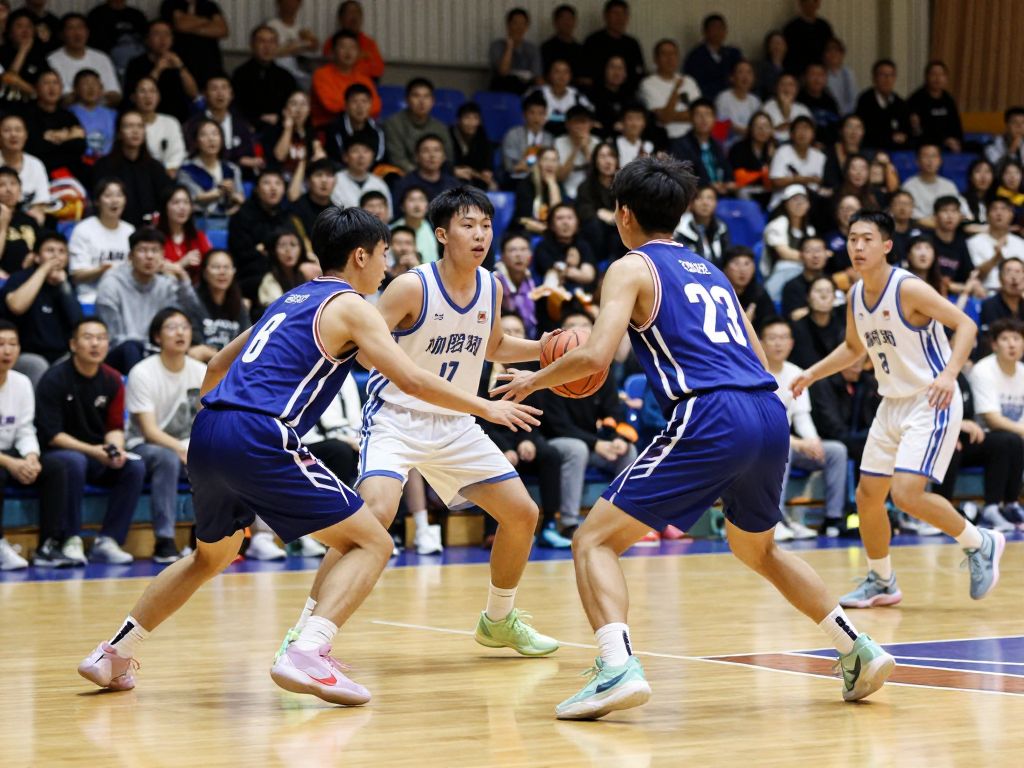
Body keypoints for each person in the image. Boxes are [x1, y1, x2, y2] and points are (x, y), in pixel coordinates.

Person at [77, 205, 541, 702]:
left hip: (210, 429)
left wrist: (217, 431)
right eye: (383, 256)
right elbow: (410, 378)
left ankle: (113, 653)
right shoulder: (353, 307)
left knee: (209, 558)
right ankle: (307, 652)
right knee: (373, 542)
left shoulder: (290, 299)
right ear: (360, 256)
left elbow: (214, 366)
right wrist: (484, 408)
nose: (386, 268)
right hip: (260, 435)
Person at [493, 156, 893, 719]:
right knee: (757, 547)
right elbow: (757, 356)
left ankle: (616, 667)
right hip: (766, 408)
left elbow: (594, 355)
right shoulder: (712, 270)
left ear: (622, 213)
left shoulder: (630, 267)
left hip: (711, 413)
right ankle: (857, 647)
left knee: (593, 541)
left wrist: (535, 379)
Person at [276, 187, 561, 674]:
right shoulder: (411, 286)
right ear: (443, 234)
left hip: (455, 424)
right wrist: (419, 378)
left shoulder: (491, 286)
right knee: (370, 520)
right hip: (397, 417)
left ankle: (498, 619)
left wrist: (550, 348)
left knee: (522, 514)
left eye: (487, 225)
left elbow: (493, 345)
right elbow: (364, 346)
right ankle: (304, 633)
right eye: (469, 225)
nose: (480, 234)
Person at [791, 210, 1001, 609]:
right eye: (852, 238)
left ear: (886, 245)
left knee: (905, 493)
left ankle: (981, 541)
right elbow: (854, 349)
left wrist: (949, 374)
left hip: (931, 398)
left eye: (867, 239)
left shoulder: (908, 288)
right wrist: (812, 374)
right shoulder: (854, 294)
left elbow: (967, 326)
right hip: (892, 402)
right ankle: (882, 580)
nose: (857, 246)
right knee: (868, 495)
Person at [36, 317, 146, 566]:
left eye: (101, 338)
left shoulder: (113, 379)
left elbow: (115, 427)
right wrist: (93, 451)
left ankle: (109, 540)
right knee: (74, 462)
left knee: (133, 466)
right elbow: (52, 434)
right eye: (88, 338)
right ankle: (70, 539)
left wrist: (115, 449)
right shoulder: (54, 378)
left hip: (96, 453)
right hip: (57, 453)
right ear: (73, 344)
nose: (95, 344)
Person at [480, 312, 569, 547]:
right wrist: (505, 448)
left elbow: (536, 413)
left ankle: (550, 524)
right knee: (496, 460)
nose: (512, 336)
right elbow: (478, 419)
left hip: (522, 435)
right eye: (506, 332)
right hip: (490, 438)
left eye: (517, 331)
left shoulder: (532, 371)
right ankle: (492, 530)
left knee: (550, 455)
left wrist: (527, 440)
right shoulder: (481, 370)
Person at [125, 308, 206, 563]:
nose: (180, 332)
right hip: (143, 447)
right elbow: (149, 431)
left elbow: (208, 422)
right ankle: (164, 540)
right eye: (171, 327)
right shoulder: (143, 372)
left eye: (184, 326)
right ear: (157, 337)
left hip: (188, 447)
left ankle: (210, 537)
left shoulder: (202, 370)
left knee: (223, 458)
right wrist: (182, 449)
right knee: (166, 459)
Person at [760, 317, 847, 540]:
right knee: (784, 449)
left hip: (788, 444)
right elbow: (760, 427)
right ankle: (774, 521)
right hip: (759, 448)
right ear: (761, 343)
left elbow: (802, 417)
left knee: (836, 451)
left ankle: (832, 520)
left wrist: (813, 441)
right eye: (772, 338)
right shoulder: (755, 374)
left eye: (783, 338)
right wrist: (796, 442)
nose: (778, 344)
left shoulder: (796, 372)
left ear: (791, 343)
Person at [0, 319, 72, 570]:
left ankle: (48, 546)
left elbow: (26, 428)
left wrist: (31, 457)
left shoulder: (21, 382)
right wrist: (10, 463)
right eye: (0, 344)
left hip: (14, 452)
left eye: (12, 344)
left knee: (57, 466)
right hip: (4, 459)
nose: (7, 351)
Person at [95, 227, 204, 373]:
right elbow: (114, 338)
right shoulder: (111, 284)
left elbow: (194, 314)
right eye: (143, 250)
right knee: (131, 348)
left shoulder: (166, 284)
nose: (149, 256)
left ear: (163, 255)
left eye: (155, 250)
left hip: (156, 351)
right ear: (130, 256)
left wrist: (182, 277)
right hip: (120, 354)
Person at [937, 370, 1024, 530]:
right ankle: (940, 513)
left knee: (1007, 441)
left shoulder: (959, 376)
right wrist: (950, 427)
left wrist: (964, 424)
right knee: (948, 447)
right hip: (936, 436)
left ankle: (997, 507)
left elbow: (968, 413)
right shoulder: (927, 373)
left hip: (964, 437)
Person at [965, 317, 1024, 531]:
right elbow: (992, 418)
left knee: (1013, 440)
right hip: (978, 439)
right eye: (1005, 339)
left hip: (1013, 439)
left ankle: (1011, 505)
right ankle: (991, 508)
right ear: (994, 344)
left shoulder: (1023, 371)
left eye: (1017, 338)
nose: (1012, 344)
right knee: (1008, 440)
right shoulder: (984, 370)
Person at [1, 230, 82, 383]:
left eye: (61, 251)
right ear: (37, 257)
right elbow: (16, 306)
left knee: (77, 362)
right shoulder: (20, 277)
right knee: (38, 365)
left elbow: (78, 323)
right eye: (50, 251)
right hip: (26, 354)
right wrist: (43, 270)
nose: (56, 256)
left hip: (61, 355)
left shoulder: (67, 284)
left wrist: (64, 286)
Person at [227, 170, 305, 300]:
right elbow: (241, 254)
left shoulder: (288, 217)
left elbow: (297, 247)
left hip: (287, 271)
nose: (273, 188)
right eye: (267, 183)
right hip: (253, 275)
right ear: (257, 189)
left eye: (278, 183)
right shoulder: (242, 216)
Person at [92, 110, 173, 228]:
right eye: (129, 126)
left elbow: (166, 199)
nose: (135, 131)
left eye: (140, 126)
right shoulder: (104, 166)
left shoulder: (155, 167)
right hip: (114, 228)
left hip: (150, 232)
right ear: (119, 133)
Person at [68, 178, 135, 305]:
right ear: (97, 201)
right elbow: (76, 275)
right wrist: (101, 271)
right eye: (108, 195)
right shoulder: (83, 229)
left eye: (119, 195)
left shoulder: (130, 231)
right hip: (91, 298)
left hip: (125, 299)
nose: (114, 200)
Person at [184, 75, 262, 180]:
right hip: (202, 176)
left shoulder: (241, 123)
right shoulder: (195, 123)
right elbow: (193, 152)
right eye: (214, 89)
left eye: (224, 88)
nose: (220, 93)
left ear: (231, 94)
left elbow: (248, 155)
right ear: (205, 94)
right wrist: (238, 160)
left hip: (239, 178)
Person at [124, 19, 198, 124]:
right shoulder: (136, 64)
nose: (163, 39)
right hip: (146, 119)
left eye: (167, 34)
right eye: (157, 34)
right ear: (147, 40)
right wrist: (158, 69)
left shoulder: (181, 60)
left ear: (172, 39)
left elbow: (194, 94)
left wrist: (181, 67)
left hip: (178, 119)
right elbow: (132, 98)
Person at [231, 24, 297, 133]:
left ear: (277, 45)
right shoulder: (240, 75)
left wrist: (279, 117)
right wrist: (255, 120)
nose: (267, 46)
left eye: (272, 42)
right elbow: (236, 107)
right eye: (261, 41)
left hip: (280, 128)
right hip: (248, 129)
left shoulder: (286, 77)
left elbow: (292, 105)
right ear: (252, 45)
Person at [47, 12, 120, 105]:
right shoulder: (52, 60)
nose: (77, 33)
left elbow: (115, 95)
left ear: (87, 32)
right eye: (71, 28)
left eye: (80, 27)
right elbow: (62, 98)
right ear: (61, 34)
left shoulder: (102, 58)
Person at [178, 119, 245, 221]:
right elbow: (194, 197)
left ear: (222, 139)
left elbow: (240, 199)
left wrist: (232, 195)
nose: (211, 139)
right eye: (204, 135)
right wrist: (220, 191)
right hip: (196, 220)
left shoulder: (232, 169)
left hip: (228, 220)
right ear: (196, 141)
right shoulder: (186, 170)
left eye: (215, 134)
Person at [311, 30, 380, 128]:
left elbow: (376, 106)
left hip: (358, 127)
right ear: (333, 51)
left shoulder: (363, 78)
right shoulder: (321, 74)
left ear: (359, 53)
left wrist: (352, 108)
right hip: (327, 128)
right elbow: (330, 106)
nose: (348, 52)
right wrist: (360, 108)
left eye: (353, 47)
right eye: (343, 47)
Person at [383, 78, 452, 174]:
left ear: (433, 101)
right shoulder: (393, 124)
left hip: (435, 176)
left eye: (426, 96)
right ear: (407, 100)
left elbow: (448, 158)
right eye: (416, 96)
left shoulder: (440, 127)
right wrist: (421, 177)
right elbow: (397, 159)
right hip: (405, 175)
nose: (422, 101)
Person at [639, 39, 700, 140]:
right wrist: (676, 90)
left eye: (673, 54)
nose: (670, 58)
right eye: (665, 54)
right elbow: (664, 118)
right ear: (655, 59)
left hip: (692, 138)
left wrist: (672, 115)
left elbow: (698, 114)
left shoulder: (689, 81)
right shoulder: (647, 84)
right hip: (667, 139)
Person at [669, 99, 734, 194]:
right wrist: (708, 185)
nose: (704, 119)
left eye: (708, 114)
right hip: (694, 196)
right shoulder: (680, 144)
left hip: (720, 195)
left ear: (714, 119)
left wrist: (727, 183)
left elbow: (727, 170)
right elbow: (681, 176)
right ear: (691, 118)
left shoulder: (717, 145)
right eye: (698, 115)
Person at [763, 184, 816, 300]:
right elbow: (784, 253)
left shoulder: (810, 230)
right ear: (785, 204)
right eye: (795, 200)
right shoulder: (777, 225)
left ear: (808, 205)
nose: (799, 204)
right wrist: (815, 257)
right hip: (776, 273)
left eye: (803, 200)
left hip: (803, 274)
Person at [159, 0, 228, 88]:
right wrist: (208, 21)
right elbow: (181, 24)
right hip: (183, 63)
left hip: (210, 63)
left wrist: (192, 27)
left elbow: (223, 30)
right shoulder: (170, 4)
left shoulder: (210, 6)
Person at [194, 249, 250, 355]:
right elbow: (196, 349)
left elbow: (246, 341)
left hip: (232, 366)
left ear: (233, 272)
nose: (222, 272)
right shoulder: (193, 301)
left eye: (226, 267)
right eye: (216, 267)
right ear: (205, 273)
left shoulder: (239, 303)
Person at [575, 141, 623, 261]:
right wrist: (599, 212)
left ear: (617, 160)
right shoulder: (585, 186)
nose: (608, 161)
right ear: (595, 161)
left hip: (618, 233)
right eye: (602, 156)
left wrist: (614, 216)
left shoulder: (624, 185)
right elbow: (583, 211)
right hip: (596, 237)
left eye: (611, 156)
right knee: (593, 225)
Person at [580, 0, 645, 90]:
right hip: (598, 93)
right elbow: (585, 77)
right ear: (606, 16)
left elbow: (639, 73)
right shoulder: (593, 41)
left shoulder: (632, 44)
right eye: (615, 13)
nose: (619, 18)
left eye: (623, 14)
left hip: (628, 94)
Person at [131, 76, 186, 176]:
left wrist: (169, 170)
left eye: (152, 91)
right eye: (142, 91)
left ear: (159, 96)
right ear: (134, 97)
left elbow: (178, 153)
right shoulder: (129, 123)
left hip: (167, 175)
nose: (148, 96)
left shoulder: (170, 122)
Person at [0, 114, 50, 223]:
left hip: (26, 222)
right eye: (7, 130)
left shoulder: (36, 165)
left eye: (18, 130)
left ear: (26, 135)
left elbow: (41, 203)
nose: (13, 134)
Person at [768, 116, 824, 210]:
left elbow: (821, 182)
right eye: (798, 129)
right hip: (782, 204)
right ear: (791, 134)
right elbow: (775, 181)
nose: (802, 133)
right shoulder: (782, 152)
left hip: (811, 205)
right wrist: (804, 179)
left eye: (806, 128)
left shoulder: (820, 156)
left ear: (813, 134)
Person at [968, 198, 1024, 292]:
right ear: (987, 215)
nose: (999, 213)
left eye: (1004, 209)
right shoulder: (973, 242)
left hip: (1017, 294)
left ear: (1011, 215)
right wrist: (996, 257)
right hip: (985, 293)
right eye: (994, 209)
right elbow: (975, 275)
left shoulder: (1021, 243)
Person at [789, 275, 844, 370]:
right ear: (808, 297)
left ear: (834, 298)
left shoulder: (843, 323)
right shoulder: (797, 328)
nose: (824, 296)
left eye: (828, 291)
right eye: (818, 291)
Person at [323, 82, 385, 166]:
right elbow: (336, 157)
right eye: (354, 101)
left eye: (364, 101)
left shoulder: (377, 130)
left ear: (370, 105)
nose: (360, 106)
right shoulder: (334, 129)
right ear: (346, 105)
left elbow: (379, 157)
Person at [683, 13, 742, 101]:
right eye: (714, 28)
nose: (718, 32)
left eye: (721, 28)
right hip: (707, 100)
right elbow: (693, 84)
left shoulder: (733, 53)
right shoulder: (695, 56)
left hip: (733, 99)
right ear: (705, 32)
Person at [257, 228, 319, 311]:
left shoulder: (309, 268)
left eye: (293, 245)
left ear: (301, 248)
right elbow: (279, 309)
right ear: (274, 251)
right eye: (282, 245)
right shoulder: (270, 280)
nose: (288, 250)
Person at [156, 184, 211, 277]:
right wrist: (181, 264)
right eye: (176, 202)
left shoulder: (199, 237)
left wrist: (173, 267)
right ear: (165, 207)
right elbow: (154, 272)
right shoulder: (154, 238)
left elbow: (210, 264)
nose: (182, 207)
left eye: (186, 202)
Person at [907, 61, 963, 153]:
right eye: (933, 74)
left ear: (946, 78)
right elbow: (918, 132)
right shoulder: (916, 100)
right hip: (926, 144)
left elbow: (956, 126)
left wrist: (956, 141)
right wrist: (944, 141)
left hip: (950, 144)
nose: (937, 78)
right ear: (926, 77)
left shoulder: (948, 100)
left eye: (941, 75)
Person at [855, 60, 910, 151]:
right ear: (874, 78)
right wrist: (890, 138)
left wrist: (903, 136)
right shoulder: (865, 100)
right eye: (883, 75)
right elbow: (865, 131)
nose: (887, 79)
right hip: (871, 149)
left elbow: (907, 129)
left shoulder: (900, 103)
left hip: (896, 150)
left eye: (891, 75)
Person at [86, 0, 148, 80]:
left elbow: (146, 40)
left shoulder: (137, 15)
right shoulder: (96, 15)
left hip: (136, 64)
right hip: (108, 64)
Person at [500, 92, 553, 184]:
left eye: (541, 113)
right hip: (517, 180)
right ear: (524, 115)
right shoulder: (513, 135)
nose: (536, 118)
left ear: (545, 116)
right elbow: (509, 166)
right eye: (532, 113)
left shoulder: (549, 138)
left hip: (543, 181)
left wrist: (526, 166)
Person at [493, 231, 539, 339]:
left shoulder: (533, 281)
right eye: (513, 250)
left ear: (530, 255)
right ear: (502, 256)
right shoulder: (494, 281)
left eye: (523, 250)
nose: (519, 255)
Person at [529, 59, 592, 136]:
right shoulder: (537, 93)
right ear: (549, 75)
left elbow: (589, 114)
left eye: (565, 72)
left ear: (570, 75)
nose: (561, 76)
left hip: (570, 135)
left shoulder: (577, 96)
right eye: (557, 71)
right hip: (542, 133)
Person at [673, 183, 730, 267]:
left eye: (710, 198)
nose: (705, 203)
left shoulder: (721, 228)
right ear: (691, 203)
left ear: (716, 203)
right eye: (699, 198)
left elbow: (725, 259)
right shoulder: (680, 228)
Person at [0, 9, 50, 106]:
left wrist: (22, 85)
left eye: (29, 26)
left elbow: (44, 91)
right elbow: (7, 81)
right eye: (19, 26)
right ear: (9, 32)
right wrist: (22, 51)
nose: (25, 30)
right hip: (5, 106)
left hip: (34, 107)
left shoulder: (40, 54)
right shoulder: (2, 53)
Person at [901, 144, 962, 223]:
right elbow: (909, 214)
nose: (930, 160)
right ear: (917, 161)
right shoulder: (908, 186)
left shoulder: (949, 185)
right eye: (925, 156)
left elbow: (959, 210)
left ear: (940, 160)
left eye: (934, 156)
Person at [392, 134, 459, 205]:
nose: (432, 155)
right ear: (417, 157)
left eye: (437, 150)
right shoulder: (404, 185)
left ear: (444, 157)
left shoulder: (454, 185)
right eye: (426, 151)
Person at [324, 0, 383, 80]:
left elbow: (378, 70)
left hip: (363, 84)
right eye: (350, 13)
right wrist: (359, 58)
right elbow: (331, 67)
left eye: (358, 13)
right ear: (340, 18)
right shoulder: (332, 43)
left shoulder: (369, 43)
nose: (354, 17)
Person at [978, 258, 1024, 358]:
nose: (1014, 277)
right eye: (1008, 272)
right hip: (996, 358)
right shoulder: (989, 305)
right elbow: (989, 340)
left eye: (1018, 272)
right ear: (1000, 279)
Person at [267, 0, 318, 90]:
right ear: (279, 3)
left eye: (295, 1)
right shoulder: (271, 26)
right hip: (280, 73)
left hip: (302, 73)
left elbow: (314, 47)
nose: (291, 4)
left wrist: (311, 42)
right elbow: (271, 52)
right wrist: (300, 46)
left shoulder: (301, 28)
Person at [489, 7, 541, 94]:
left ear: (527, 27)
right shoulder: (496, 46)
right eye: (515, 23)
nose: (519, 28)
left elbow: (536, 75)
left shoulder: (532, 49)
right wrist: (509, 47)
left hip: (526, 88)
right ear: (508, 25)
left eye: (522, 24)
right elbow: (503, 72)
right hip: (502, 88)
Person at [0, 166, 40, 278]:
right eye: (2, 185)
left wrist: (35, 254)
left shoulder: (29, 220)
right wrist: (3, 226)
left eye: (13, 184)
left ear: (20, 189)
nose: (9, 189)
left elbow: (43, 245)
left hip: (30, 277)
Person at [929, 195, 975, 294]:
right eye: (944, 211)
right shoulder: (927, 240)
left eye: (954, 211)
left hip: (955, 294)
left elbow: (969, 272)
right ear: (935, 216)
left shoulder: (961, 241)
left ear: (960, 216)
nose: (950, 216)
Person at [70, 69, 118, 161]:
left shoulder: (113, 115)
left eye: (94, 84)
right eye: (85, 84)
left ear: (101, 88)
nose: (91, 88)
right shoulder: (69, 114)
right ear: (75, 89)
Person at [514, 146, 563, 235]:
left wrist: (552, 185)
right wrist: (549, 231)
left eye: (554, 160)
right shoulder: (526, 184)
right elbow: (524, 219)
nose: (550, 164)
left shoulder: (558, 186)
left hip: (550, 232)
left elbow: (558, 215)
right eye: (546, 159)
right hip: (525, 230)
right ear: (539, 162)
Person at [331, 139, 390, 211]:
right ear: (345, 156)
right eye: (355, 151)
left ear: (373, 156)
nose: (361, 156)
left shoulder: (380, 184)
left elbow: (387, 215)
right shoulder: (334, 180)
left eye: (366, 151)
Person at [722, 245, 774, 326]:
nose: (742, 270)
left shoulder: (760, 294)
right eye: (736, 263)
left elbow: (770, 324)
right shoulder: (718, 294)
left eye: (747, 264)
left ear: (754, 268)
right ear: (725, 268)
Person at [554, 106, 599, 198]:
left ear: (591, 124)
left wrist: (586, 149)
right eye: (576, 122)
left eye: (583, 122)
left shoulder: (597, 142)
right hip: (566, 192)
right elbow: (560, 177)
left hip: (592, 192)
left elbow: (599, 174)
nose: (580, 126)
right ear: (567, 124)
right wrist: (577, 147)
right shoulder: (558, 142)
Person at [449, 102, 495, 191]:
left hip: (476, 178)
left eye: (475, 118)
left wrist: (487, 172)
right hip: (454, 176)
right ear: (458, 120)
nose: (471, 122)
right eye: (467, 118)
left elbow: (487, 165)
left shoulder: (483, 136)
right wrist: (453, 170)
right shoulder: (449, 135)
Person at [781, 236, 829, 319]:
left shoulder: (833, 282)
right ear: (800, 255)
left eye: (819, 250)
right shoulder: (792, 286)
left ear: (827, 254)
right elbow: (794, 316)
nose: (815, 255)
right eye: (809, 251)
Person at [782, 0, 834, 76]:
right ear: (800, 4)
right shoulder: (791, 28)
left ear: (818, 4)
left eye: (815, 1)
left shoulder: (824, 27)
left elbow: (830, 51)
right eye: (808, 1)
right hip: (799, 75)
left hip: (821, 74)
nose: (811, 4)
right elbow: (787, 57)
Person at [715, 59, 761, 139]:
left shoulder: (755, 101)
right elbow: (719, 129)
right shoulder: (723, 98)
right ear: (732, 77)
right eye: (740, 72)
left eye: (749, 72)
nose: (745, 76)